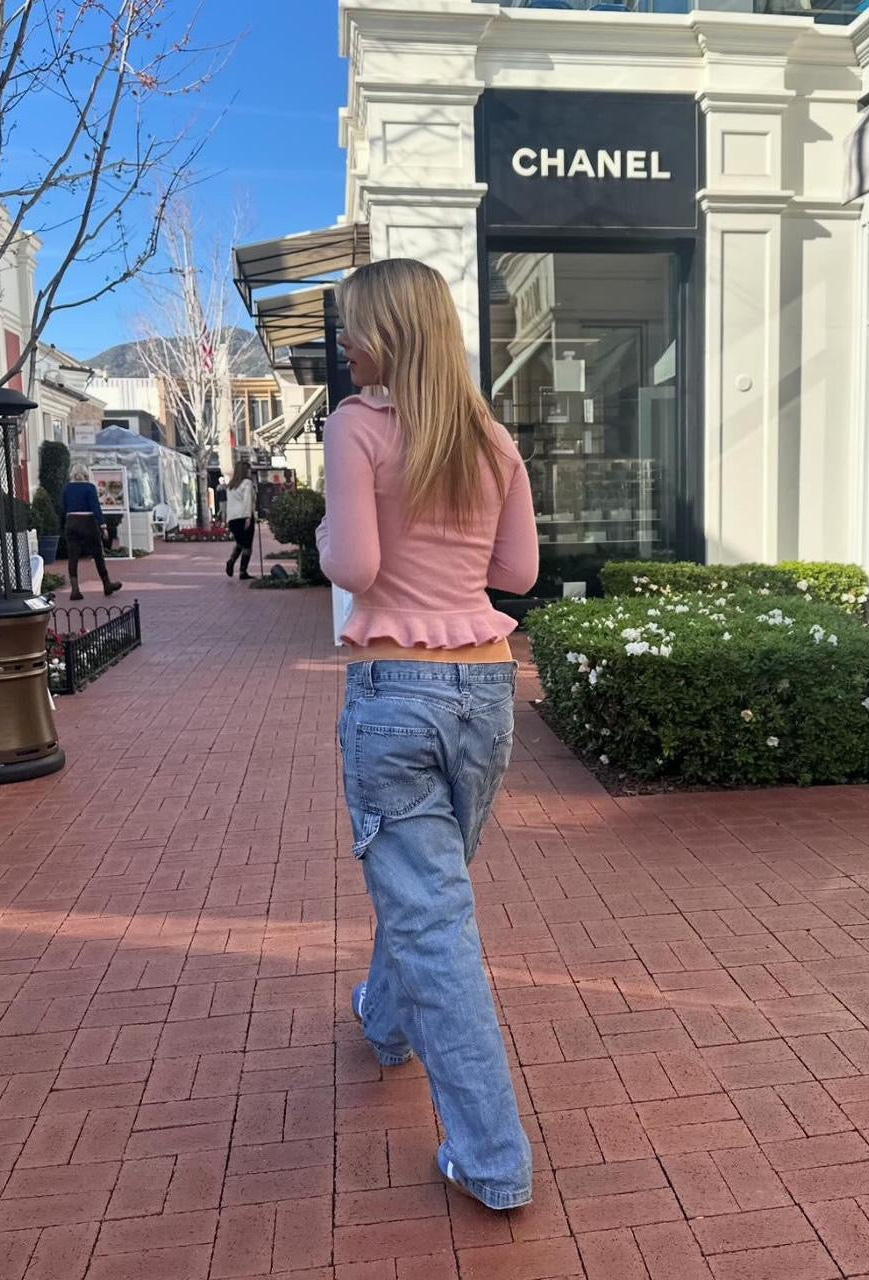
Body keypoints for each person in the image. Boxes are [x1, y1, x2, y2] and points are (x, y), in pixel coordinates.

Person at [317, 258, 539, 1212]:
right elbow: (518, 574)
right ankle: (384, 1019)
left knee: (434, 916)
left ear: (388, 335)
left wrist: (330, 539)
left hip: (396, 691)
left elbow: (356, 564)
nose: (342, 344)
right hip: (486, 693)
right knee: (426, 890)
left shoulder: (357, 429)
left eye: (353, 327)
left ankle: (491, 1158)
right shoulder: (493, 440)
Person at [63, 463, 122, 601]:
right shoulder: (90, 488)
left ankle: (75, 589)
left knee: (73, 556)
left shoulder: (67, 488)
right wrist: (103, 526)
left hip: (71, 521)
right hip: (87, 522)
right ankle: (106, 583)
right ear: (86, 474)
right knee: (97, 553)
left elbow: (64, 507)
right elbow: (95, 507)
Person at [225, 461, 256, 579]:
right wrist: (248, 516)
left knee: (240, 543)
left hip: (232, 518)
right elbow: (247, 500)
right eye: (248, 469)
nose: (250, 471)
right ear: (244, 470)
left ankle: (231, 561)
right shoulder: (247, 483)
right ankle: (243, 571)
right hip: (244, 516)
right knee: (247, 546)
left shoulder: (231, 486)